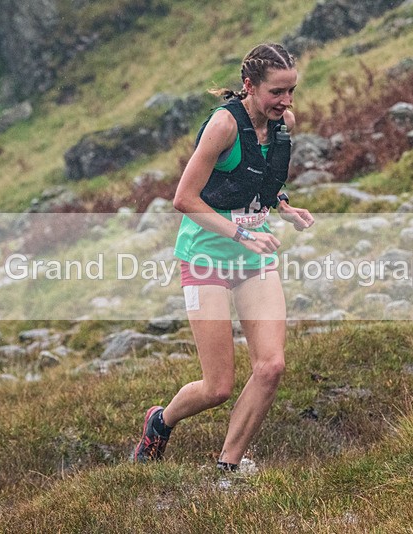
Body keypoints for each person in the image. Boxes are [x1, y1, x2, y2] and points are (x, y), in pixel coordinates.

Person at [133, 42, 315, 472]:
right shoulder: (223, 126)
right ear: (250, 86)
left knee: (270, 367)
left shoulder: (283, 123)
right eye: (277, 92)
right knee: (217, 387)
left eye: (291, 91)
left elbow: (260, 180)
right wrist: (240, 234)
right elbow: (184, 198)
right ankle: (160, 422)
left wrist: (283, 205)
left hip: (254, 259)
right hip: (205, 258)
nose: (286, 102)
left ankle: (229, 466)